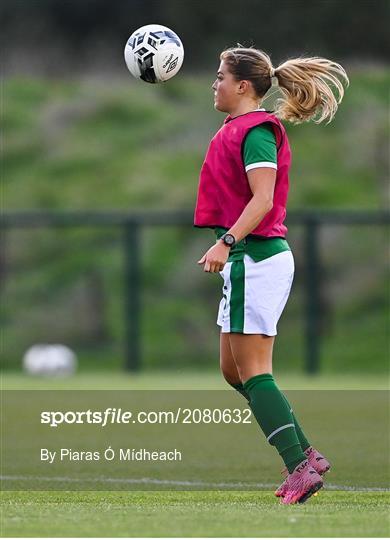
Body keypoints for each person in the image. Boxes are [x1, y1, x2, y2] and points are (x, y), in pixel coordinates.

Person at [194, 46, 348, 504]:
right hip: (251, 259)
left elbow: (261, 200)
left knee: (256, 371)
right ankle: (305, 453)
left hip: (255, 259)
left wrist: (227, 241)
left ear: (243, 86)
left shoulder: (258, 131)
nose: (215, 83)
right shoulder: (237, 129)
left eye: (220, 76)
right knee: (233, 371)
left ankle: (298, 466)